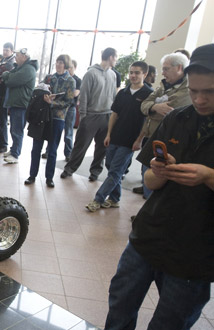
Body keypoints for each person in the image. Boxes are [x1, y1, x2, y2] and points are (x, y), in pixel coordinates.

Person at [72, 43, 214, 330]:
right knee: (121, 305)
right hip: (150, 232)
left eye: (210, 92)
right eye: (194, 91)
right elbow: (149, 177)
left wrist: (209, 176)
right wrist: (160, 173)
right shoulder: (177, 118)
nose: (200, 100)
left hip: (196, 249)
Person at [85, 61, 153, 212]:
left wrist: (139, 139)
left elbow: (148, 121)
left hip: (130, 140)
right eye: (131, 72)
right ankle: (115, 199)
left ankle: (98, 199)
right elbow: (114, 114)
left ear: (145, 74)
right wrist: (108, 134)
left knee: (116, 170)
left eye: (137, 73)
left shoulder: (149, 94)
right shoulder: (122, 92)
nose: (133, 76)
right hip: (115, 136)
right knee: (111, 167)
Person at [132, 52, 190, 198]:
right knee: (147, 171)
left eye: (166, 69)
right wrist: (155, 107)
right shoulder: (163, 86)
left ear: (179, 67)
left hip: (169, 139)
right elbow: (144, 105)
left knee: (158, 175)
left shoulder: (187, 89)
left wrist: (152, 106)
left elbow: (171, 109)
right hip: (151, 134)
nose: (162, 73)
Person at [60, 47, 118, 181]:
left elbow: (113, 95)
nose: (116, 60)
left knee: (102, 147)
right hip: (91, 115)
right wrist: (84, 116)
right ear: (110, 57)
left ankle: (95, 172)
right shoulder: (91, 73)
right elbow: (84, 96)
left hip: (107, 115)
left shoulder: (113, 74)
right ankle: (69, 169)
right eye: (115, 57)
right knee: (81, 145)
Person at [26, 54, 75, 188]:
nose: (58, 65)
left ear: (66, 65)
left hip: (58, 118)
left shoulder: (70, 80)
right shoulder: (49, 78)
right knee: (36, 148)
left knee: (52, 150)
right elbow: (37, 91)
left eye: (61, 63)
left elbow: (69, 101)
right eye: (57, 62)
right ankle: (32, 175)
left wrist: (52, 103)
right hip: (42, 116)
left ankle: (49, 178)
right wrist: (44, 96)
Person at [1, 48, 38, 164]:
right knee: (13, 129)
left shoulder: (28, 69)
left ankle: (15, 154)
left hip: (21, 104)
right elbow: (8, 76)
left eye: (17, 56)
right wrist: (8, 76)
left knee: (17, 130)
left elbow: (10, 81)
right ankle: (13, 150)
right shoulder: (20, 68)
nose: (15, 58)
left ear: (24, 57)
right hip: (16, 103)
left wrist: (8, 77)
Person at [63, 59, 81, 161]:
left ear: (75, 68)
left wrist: (63, 92)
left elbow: (75, 94)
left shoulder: (77, 80)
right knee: (54, 131)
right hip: (60, 108)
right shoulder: (62, 78)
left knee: (68, 132)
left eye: (71, 67)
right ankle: (48, 151)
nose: (69, 69)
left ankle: (68, 153)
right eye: (68, 67)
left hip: (71, 108)